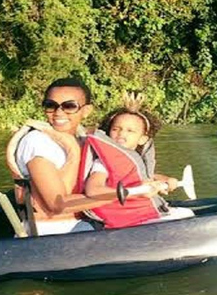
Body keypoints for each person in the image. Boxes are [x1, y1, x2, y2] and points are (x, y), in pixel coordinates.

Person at [8, 77, 127, 236]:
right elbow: (57, 205)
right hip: (51, 231)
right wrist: (128, 193)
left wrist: (151, 182)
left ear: (86, 111)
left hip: (85, 224)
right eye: (51, 106)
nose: (58, 113)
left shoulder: (85, 139)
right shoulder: (36, 142)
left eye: (69, 106)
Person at [83, 93, 195, 228]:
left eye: (130, 131)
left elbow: (147, 177)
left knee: (186, 213)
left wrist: (165, 180)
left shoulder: (136, 159)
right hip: (127, 218)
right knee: (185, 217)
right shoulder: (102, 163)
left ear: (143, 139)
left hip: (143, 214)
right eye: (116, 129)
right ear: (108, 133)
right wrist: (135, 191)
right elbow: (92, 190)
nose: (121, 134)